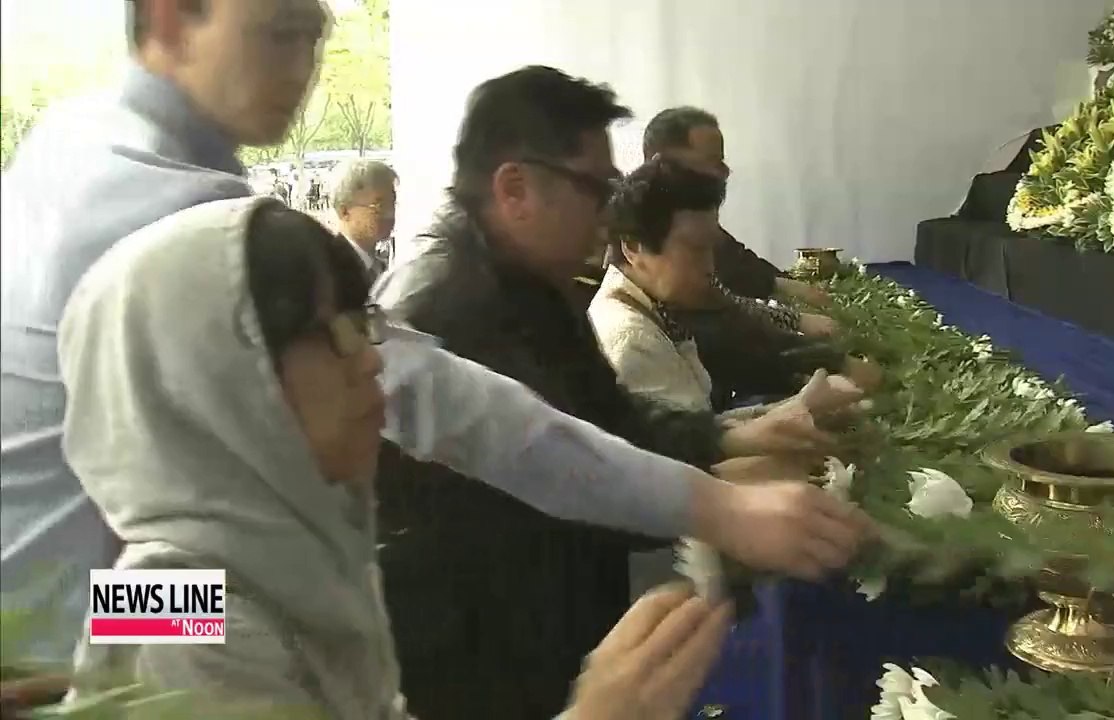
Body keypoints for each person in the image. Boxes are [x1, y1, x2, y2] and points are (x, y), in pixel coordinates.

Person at [57, 195, 764, 719]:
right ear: (211, 382)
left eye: (363, 324)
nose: (370, 362)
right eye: (329, 333)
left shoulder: (301, 551)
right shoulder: (163, 611)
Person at [372, 66, 875, 719]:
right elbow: (554, 471)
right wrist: (725, 512)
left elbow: (576, 434)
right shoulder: (448, 308)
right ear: (515, 188)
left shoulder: (515, 282)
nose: (611, 215)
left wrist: (730, 440)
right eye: (596, 189)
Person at [0, 0, 331, 668]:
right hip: (74, 638)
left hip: (43, 602)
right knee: (298, 630)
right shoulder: (182, 205)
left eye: (314, 37)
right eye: (279, 33)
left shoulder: (68, 132)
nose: (303, 68)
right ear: (172, 22)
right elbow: (413, 391)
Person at [639, 107, 884, 403]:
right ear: (661, 163)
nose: (725, 171)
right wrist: (819, 363)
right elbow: (717, 331)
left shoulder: (685, 223)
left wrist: (789, 301)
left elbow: (727, 290)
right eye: (712, 161)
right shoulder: (650, 241)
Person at [331, 158, 398, 281]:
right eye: (380, 205)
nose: (390, 214)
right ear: (344, 211)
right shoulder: (329, 271)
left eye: (392, 203)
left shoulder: (382, 268)